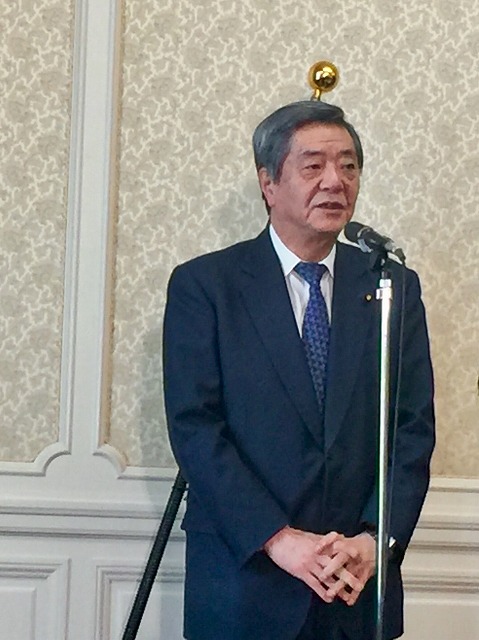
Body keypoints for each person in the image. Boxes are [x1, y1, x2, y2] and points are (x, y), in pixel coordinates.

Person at [163, 100, 435, 640]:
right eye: (313, 166)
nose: (335, 181)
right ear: (268, 183)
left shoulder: (391, 286)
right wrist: (279, 539)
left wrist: (375, 540)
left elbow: (411, 428)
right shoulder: (207, 286)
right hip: (247, 581)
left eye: (349, 166)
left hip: (355, 584)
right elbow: (196, 428)